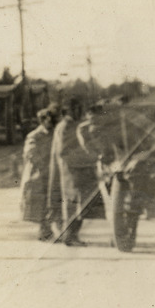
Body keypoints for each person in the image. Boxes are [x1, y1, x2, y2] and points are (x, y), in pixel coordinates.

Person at [47, 97, 98, 246]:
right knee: (73, 204)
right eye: (79, 108)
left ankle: (71, 235)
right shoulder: (66, 126)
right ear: (71, 110)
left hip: (75, 170)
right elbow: (64, 151)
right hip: (71, 171)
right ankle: (70, 236)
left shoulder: (69, 124)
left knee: (77, 204)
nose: (81, 111)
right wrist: (90, 158)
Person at [20, 105, 59, 241]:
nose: (50, 122)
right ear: (41, 121)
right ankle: (44, 231)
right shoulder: (34, 135)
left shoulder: (54, 133)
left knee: (53, 201)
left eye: (52, 119)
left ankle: (49, 230)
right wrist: (44, 164)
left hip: (52, 172)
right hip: (40, 174)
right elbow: (31, 153)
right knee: (42, 203)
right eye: (47, 120)